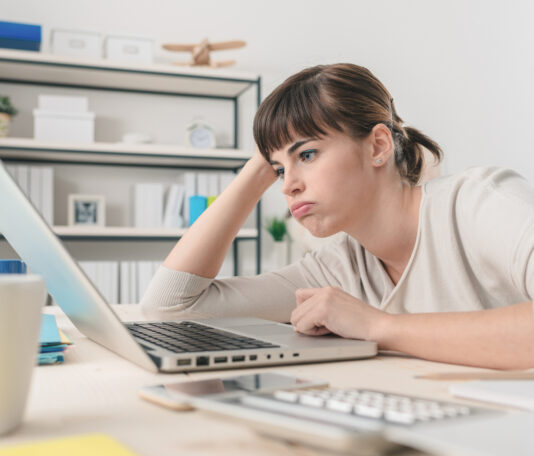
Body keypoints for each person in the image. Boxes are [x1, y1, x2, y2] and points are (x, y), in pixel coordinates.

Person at [141, 63, 534, 370]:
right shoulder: (338, 269)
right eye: (278, 170)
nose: (287, 186)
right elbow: (169, 309)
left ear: (378, 145)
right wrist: (257, 167)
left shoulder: (478, 204)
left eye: (307, 154)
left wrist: (379, 327)